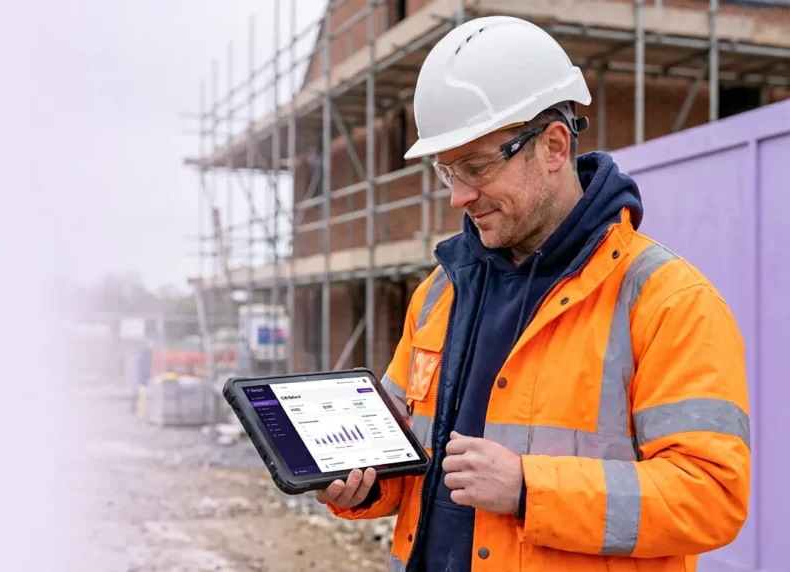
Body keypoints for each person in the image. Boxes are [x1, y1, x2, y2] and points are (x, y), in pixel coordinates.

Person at [315, 14, 751, 572]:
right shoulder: (439, 292)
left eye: (475, 167)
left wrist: (530, 487)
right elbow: (407, 462)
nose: (458, 197)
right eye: (447, 172)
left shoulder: (667, 302)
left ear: (552, 145)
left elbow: (711, 497)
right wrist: (363, 485)